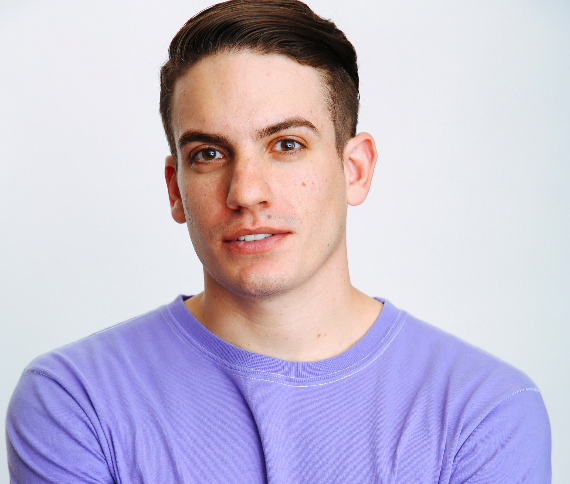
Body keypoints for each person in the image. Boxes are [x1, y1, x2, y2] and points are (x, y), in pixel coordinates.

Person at [6, 0, 551, 482]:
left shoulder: (486, 411)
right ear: (176, 189)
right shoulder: (76, 399)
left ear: (355, 169)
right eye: (209, 154)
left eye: (287, 145)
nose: (246, 192)